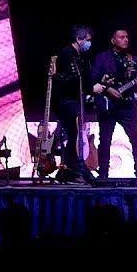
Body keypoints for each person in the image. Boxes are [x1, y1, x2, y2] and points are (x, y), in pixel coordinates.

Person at [90, 29, 137, 183]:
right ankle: (103, 173)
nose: (126, 40)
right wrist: (108, 89)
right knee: (105, 140)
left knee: (136, 139)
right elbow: (93, 79)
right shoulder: (103, 58)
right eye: (121, 37)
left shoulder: (133, 59)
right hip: (108, 105)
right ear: (113, 40)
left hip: (127, 105)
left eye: (127, 37)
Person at [52, 25, 96, 184]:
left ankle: (69, 170)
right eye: (88, 40)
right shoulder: (67, 53)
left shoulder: (79, 56)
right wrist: (91, 87)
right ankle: (76, 166)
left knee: (73, 134)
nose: (89, 43)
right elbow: (69, 78)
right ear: (78, 39)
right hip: (66, 100)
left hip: (74, 99)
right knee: (74, 132)